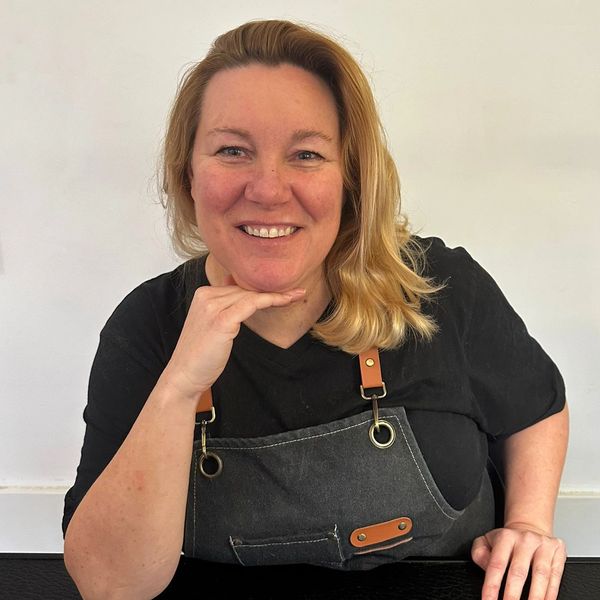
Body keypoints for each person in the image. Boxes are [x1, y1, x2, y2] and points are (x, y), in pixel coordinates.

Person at [62, 19, 568, 600]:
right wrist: (178, 388)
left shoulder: (438, 287)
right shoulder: (146, 327)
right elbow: (109, 586)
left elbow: (535, 407)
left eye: (306, 154)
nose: (268, 189)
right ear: (188, 175)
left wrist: (529, 523)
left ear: (350, 178)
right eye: (232, 151)